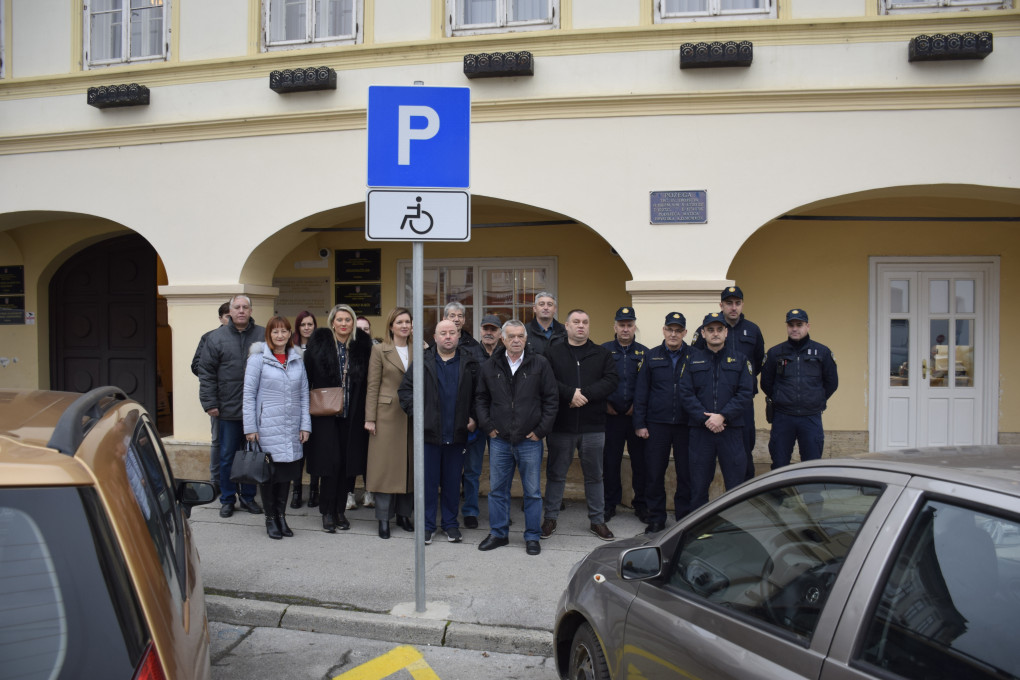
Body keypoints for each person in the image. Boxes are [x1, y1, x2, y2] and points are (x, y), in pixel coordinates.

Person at [475, 320, 558, 555]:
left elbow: (551, 400)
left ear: (526, 338)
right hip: (500, 439)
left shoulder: (540, 364)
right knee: (497, 491)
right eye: (511, 336)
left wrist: (540, 431)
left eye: (520, 336)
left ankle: (532, 536)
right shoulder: (490, 366)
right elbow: (481, 399)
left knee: (532, 492)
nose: (516, 340)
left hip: (529, 441)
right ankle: (498, 533)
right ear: (503, 339)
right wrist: (488, 427)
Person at [398, 320, 480, 544]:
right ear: (434, 337)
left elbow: (479, 394)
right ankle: (427, 526)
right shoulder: (423, 362)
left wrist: (474, 416)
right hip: (429, 434)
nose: (448, 337)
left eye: (452, 333)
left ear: (458, 336)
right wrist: (420, 416)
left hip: (457, 434)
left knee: (453, 482)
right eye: (443, 333)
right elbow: (405, 392)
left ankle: (451, 525)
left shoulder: (469, 363)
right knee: (428, 483)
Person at [542, 309, 619, 542]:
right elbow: (547, 381)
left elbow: (611, 380)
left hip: (594, 426)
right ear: (566, 326)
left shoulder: (602, 354)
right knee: (556, 474)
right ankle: (550, 518)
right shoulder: (553, 353)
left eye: (585, 322)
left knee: (595, 476)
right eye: (576, 322)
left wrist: (583, 394)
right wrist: (569, 395)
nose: (581, 326)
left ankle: (597, 521)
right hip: (561, 426)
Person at [303, 303, 373, 533]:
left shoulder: (362, 346)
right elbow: (307, 379)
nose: (344, 324)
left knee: (346, 465)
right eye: (340, 319)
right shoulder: (320, 344)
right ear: (332, 322)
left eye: (348, 320)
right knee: (329, 465)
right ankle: (327, 512)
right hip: (325, 415)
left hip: (352, 415)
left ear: (353, 323)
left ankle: (340, 510)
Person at [242, 316, 311, 539]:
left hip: (291, 426)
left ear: (290, 334)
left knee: (286, 475)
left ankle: (282, 517)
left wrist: (305, 425)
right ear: (269, 335)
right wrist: (250, 427)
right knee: (269, 475)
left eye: (284, 331)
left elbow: (304, 395)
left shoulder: (297, 359)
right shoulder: (258, 359)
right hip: (267, 426)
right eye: (275, 332)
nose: (280, 335)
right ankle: (270, 519)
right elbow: (249, 395)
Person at [197, 295, 265, 518]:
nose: (241, 311)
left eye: (245, 307)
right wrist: (210, 403)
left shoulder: (262, 335)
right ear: (230, 311)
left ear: (251, 310)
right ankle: (227, 499)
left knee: (251, 455)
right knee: (226, 457)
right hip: (227, 408)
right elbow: (206, 373)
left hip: (255, 410)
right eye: (237, 307)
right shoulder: (215, 338)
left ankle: (248, 497)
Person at [679, 313, 754, 511]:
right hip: (701, 431)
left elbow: (745, 393)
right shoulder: (692, 360)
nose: (715, 333)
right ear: (703, 333)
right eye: (710, 330)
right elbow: (685, 393)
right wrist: (706, 418)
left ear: (726, 332)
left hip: (731, 430)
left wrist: (722, 416)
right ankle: (698, 530)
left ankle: (734, 526)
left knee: (735, 484)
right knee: (699, 484)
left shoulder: (740, 360)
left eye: (719, 329)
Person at [693, 286, 765, 481]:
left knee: (744, 450)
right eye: (729, 303)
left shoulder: (753, 330)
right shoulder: (708, 329)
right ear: (721, 305)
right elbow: (697, 358)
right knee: (705, 458)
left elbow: (757, 364)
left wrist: (740, 384)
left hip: (742, 404)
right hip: (711, 407)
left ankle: (744, 499)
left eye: (737, 303)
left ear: (742, 304)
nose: (733, 307)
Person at [633, 312, 692, 534]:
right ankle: (656, 517)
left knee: (685, 472)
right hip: (657, 423)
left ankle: (684, 515)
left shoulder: (695, 356)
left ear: (684, 333)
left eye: (678, 330)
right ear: (664, 330)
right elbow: (641, 392)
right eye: (670, 329)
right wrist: (640, 423)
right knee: (654, 472)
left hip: (686, 425)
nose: (674, 334)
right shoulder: (652, 356)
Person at [761, 309, 839, 469]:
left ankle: (811, 495)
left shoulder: (822, 352)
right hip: (783, 418)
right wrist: (780, 397)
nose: (795, 329)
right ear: (787, 327)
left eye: (799, 324)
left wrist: (816, 399)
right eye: (791, 325)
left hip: (810, 418)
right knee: (779, 465)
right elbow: (766, 383)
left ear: (808, 326)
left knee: (811, 467)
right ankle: (781, 495)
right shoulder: (775, 352)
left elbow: (832, 382)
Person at [364, 307, 415, 539]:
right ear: (391, 326)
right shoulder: (379, 350)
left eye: (407, 322)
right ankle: (383, 519)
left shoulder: (421, 349)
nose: (404, 326)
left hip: (413, 414)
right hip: (387, 415)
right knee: (385, 469)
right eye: (400, 322)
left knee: (409, 466)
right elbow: (372, 385)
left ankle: (405, 515)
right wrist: (370, 418)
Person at [601, 306, 649, 522]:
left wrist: (637, 408)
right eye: (622, 325)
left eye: (629, 325)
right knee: (611, 462)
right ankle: (610, 503)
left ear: (634, 327)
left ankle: (641, 504)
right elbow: (597, 381)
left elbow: (648, 385)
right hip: (611, 416)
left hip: (635, 417)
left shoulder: (645, 353)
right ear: (615, 327)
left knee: (640, 463)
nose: (626, 329)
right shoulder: (603, 351)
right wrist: (605, 404)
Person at [460, 313, 503, 529]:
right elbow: (466, 390)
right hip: (477, 421)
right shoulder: (469, 354)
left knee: (499, 471)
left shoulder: (508, 355)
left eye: (493, 329)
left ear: (500, 333)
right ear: (480, 331)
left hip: (500, 424)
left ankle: (499, 513)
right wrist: (471, 417)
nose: (489, 332)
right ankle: (470, 511)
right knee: (472, 470)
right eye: (486, 328)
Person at [191, 301, 231, 484]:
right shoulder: (209, 337)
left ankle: (239, 479)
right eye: (227, 317)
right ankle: (216, 480)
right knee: (217, 440)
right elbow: (197, 366)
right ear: (221, 318)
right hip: (219, 398)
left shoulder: (248, 336)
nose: (231, 320)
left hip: (239, 398)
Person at [289, 310, 317, 509]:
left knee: (315, 451)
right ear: (298, 328)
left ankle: (315, 490)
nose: (307, 328)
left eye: (310, 324)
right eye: (303, 325)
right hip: (296, 404)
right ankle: (297, 490)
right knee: (299, 450)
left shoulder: (322, 346)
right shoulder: (291, 348)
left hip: (316, 404)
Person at [525, 291, 566, 355]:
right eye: (541, 304)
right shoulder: (524, 331)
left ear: (555, 309)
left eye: (549, 304)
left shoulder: (565, 331)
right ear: (534, 309)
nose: (546, 308)